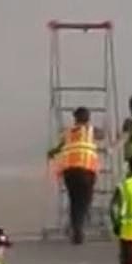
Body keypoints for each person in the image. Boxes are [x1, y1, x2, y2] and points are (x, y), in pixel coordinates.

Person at [49, 105, 101, 245]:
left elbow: (58, 148)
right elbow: (102, 135)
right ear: (88, 119)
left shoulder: (68, 132)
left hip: (70, 172)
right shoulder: (91, 130)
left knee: (74, 201)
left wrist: (51, 153)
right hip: (86, 170)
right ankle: (79, 229)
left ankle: (76, 229)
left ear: (75, 119)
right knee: (84, 201)